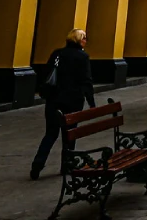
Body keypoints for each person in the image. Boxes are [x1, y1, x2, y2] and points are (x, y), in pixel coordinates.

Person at [30, 28, 95, 180]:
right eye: (84, 38)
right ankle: (67, 165)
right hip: (73, 100)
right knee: (70, 135)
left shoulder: (57, 53)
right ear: (78, 40)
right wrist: (91, 102)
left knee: (50, 133)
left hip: (54, 99)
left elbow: (47, 73)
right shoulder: (82, 56)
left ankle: (37, 164)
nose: (86, 41)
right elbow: (86, 80)